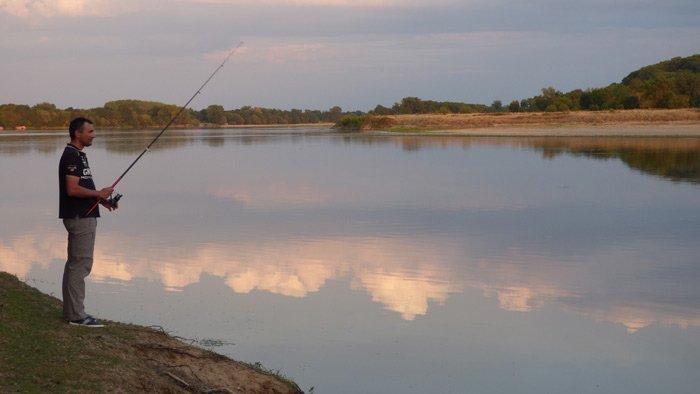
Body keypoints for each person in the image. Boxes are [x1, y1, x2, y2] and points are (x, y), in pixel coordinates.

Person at [59, 117, 117, 327]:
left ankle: (71, 312)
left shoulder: (78, 155)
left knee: (75, 264)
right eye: (90, 132)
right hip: (80, 218)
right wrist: (98, 192)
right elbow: (72, 189)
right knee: (80, 265)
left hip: (83, 214)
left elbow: (82, 188)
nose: (93, 135)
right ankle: (76, 316)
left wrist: (102, 200)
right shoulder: (72, 156)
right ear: (78, 133)